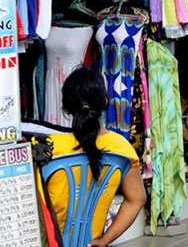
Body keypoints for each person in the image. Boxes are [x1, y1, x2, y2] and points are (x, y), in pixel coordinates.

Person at [45, 66, 146, 246]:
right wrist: (104, 239)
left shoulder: (49, 147)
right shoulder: (121, 148)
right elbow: (137, 199)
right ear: (105, 102)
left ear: (66, 106)